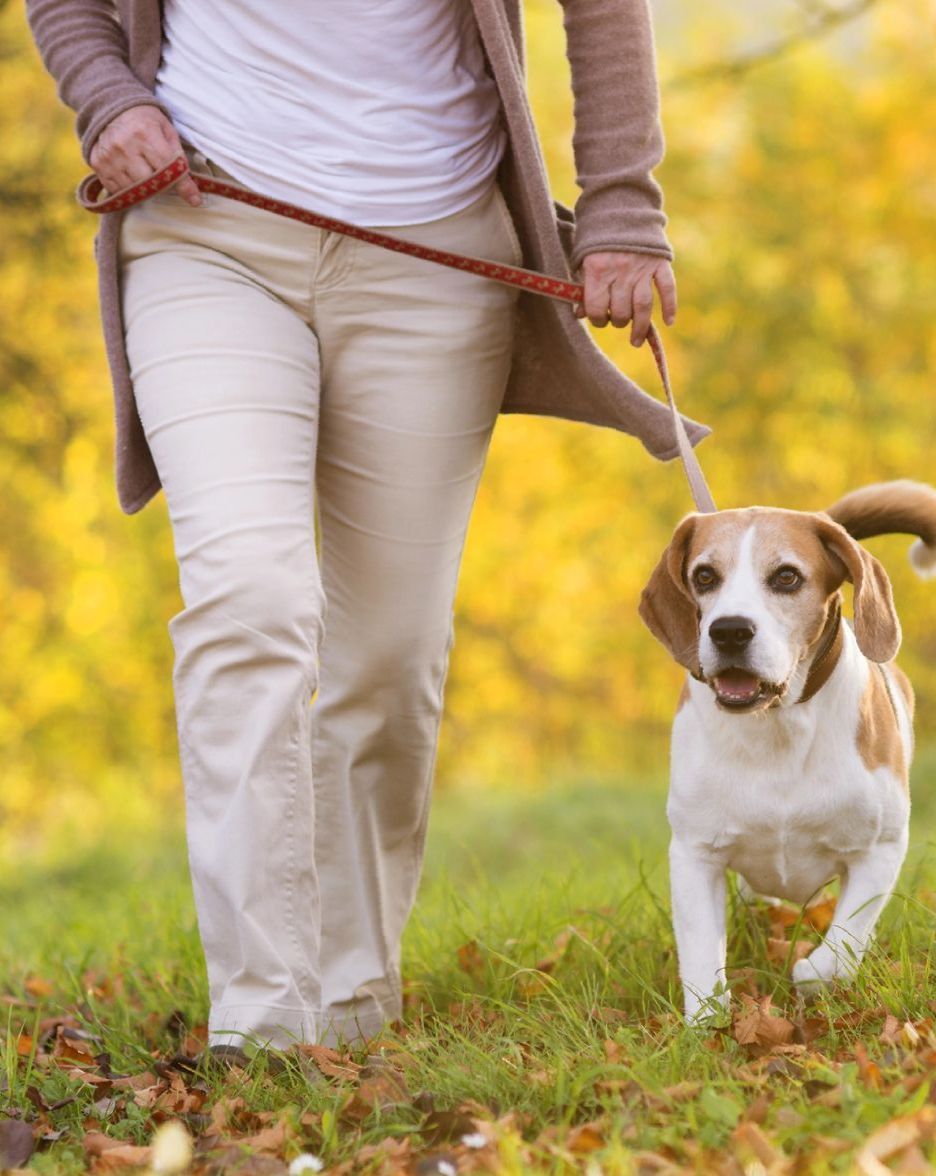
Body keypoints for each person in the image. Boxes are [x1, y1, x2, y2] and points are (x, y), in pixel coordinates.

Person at [25, 0, 709, 1058]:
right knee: (250, 597)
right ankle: (261, 1016)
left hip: (432, 260)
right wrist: (106, 97)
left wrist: (622, 209)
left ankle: (347, 1003)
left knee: (388, 656)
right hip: (208, 231)